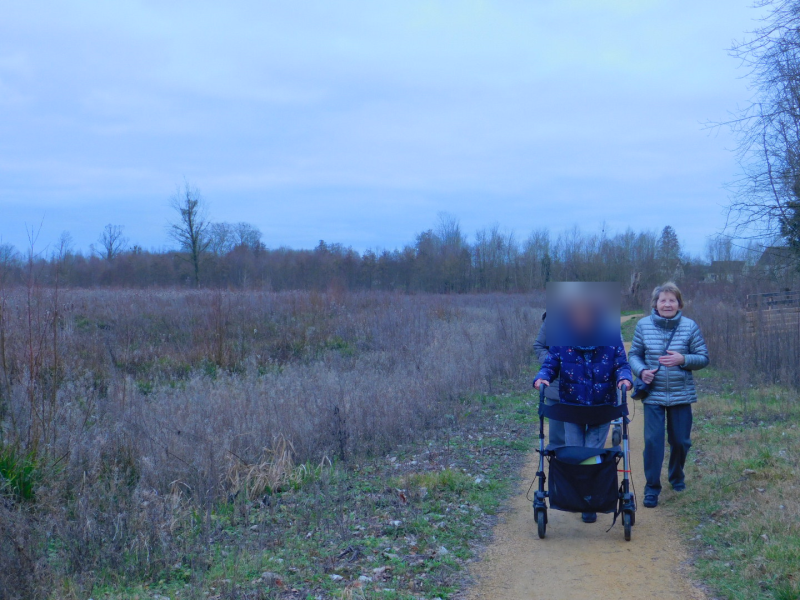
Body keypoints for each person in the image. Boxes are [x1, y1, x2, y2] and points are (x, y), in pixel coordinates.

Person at [628, 282, 709, 509]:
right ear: (655, 304)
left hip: (681, 394)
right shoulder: (643, 325)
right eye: (662, 300)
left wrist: (683, 359)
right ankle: (652, 488)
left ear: (679, 304)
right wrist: (642, 371)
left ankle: (676, 476)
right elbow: (634, 355)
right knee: (653, 442)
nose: (667, 304)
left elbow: (703, 358)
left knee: (681, 442)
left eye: (672, 300)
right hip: (653, 395)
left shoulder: (690, 326)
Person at [534, 340, 632, 523]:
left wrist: (624, 378)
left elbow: (621, 365)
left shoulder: (610, 339)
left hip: (602, 408)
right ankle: (577, 497)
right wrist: (542, 377)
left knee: (592, 454)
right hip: (572, 407)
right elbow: (550, 364)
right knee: (575, 453)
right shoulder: (563, 339)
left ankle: (589, 502)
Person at [533, 312, 565, 447]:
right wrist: (554, 362)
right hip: (556, 387)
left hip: (588, 391)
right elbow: (539, 346)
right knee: (558, 440)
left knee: (583, 441)